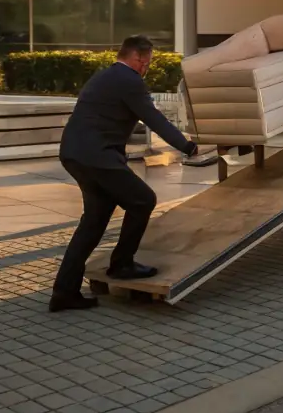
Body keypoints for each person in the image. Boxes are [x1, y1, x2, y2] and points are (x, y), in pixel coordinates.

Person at [50, 35, 198, 312]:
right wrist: (187, 146)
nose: (148, 68)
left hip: (75, 153)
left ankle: (64, 292)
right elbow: (154, 118)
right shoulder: (130, 81)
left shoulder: (104, 76)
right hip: (98, 157)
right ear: (139, 60)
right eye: (148, 63)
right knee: (143, 200)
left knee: (94, 220)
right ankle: (122, 265)